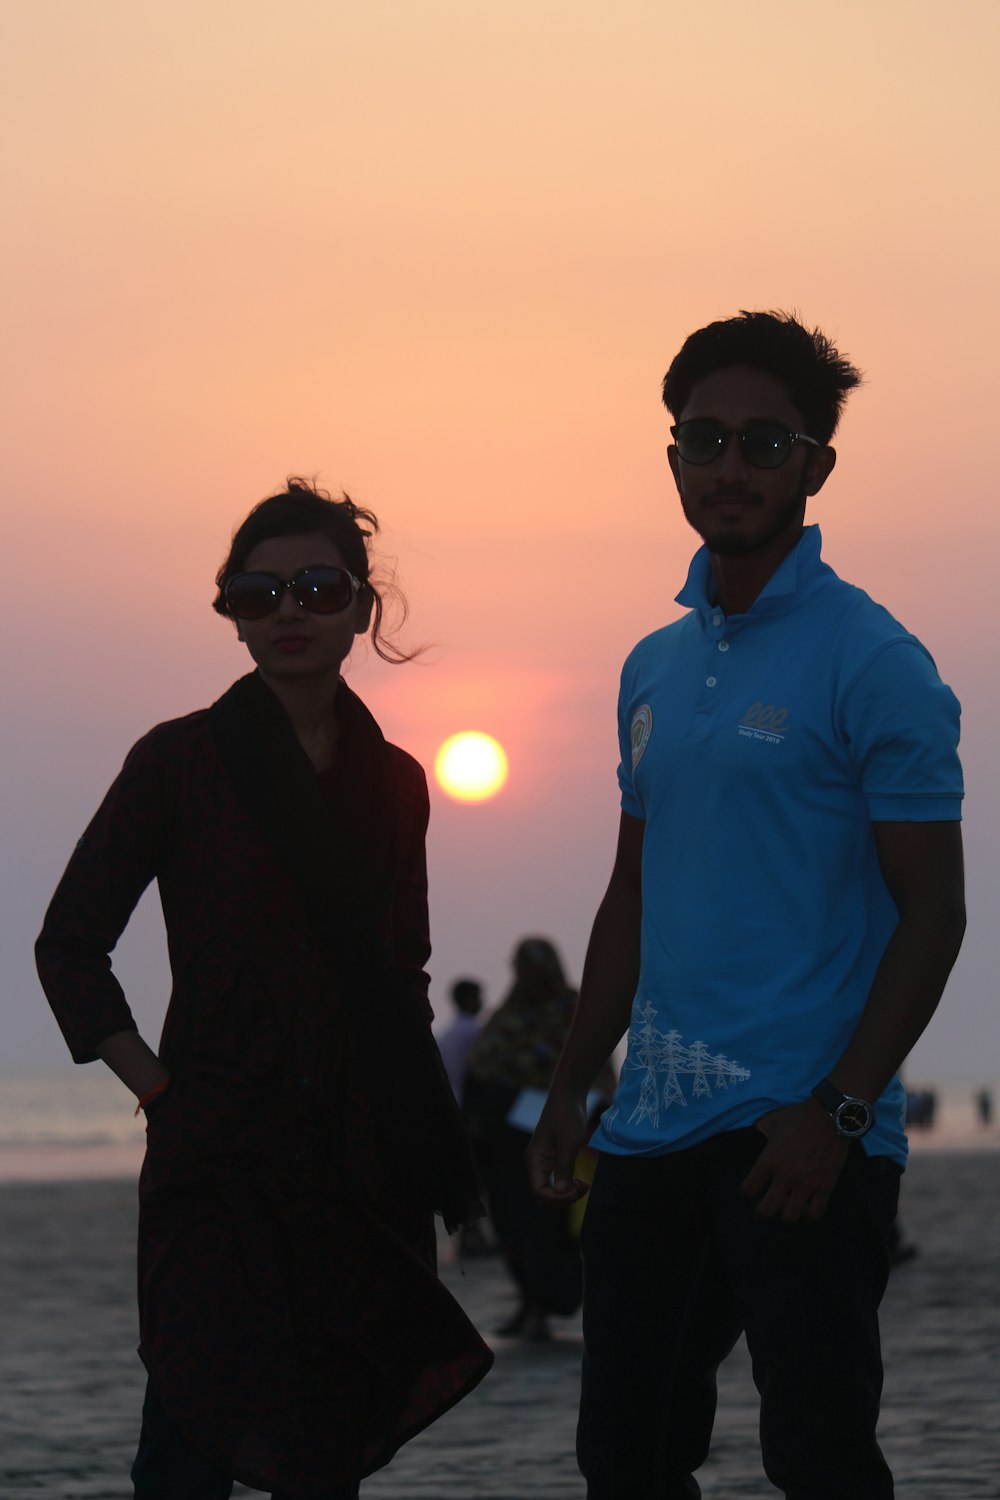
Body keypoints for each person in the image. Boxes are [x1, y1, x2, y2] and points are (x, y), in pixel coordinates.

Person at [528, 312, 966, 1498]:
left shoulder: (874, 661)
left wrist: (839, 1110)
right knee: (625, 1456)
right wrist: (572, 1081)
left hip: (800, 1134)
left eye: (764, 443)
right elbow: (632, 890)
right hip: (650, 1127)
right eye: (704, 438)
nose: (730, 467)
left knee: (818, 1455)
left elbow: (934, 914)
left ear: (816, 464)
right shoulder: (650, 666)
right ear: (671, 456)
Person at [36, 478, 493, 1500]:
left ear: (360, 609)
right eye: (258, 593)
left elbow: (402, 975)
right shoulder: (178, 763)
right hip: (217, 1151)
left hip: (358, 1162)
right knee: (188, 1443)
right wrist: (160, 1092)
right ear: (232, 616)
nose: (288, 611)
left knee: (323, 1454)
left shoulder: (396, 782)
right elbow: (68, 945)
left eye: (318, 588)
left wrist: (423, 1146)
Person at [464, 938, 615, 1340]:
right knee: (513, 1226)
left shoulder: (573, 1012)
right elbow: (483, 1063)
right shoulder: (508, 1015)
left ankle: (550, 1303)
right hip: (507, 1147)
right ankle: (530, 1303)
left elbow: (596, 1072)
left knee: (551, 1232)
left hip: (558, 1147)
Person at [436, 978, 485, 1103]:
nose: (482, 1001)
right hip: (467, 1099)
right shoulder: (474, 1030)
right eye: (478, 996)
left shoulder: (447, 1032)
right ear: (468, 999)